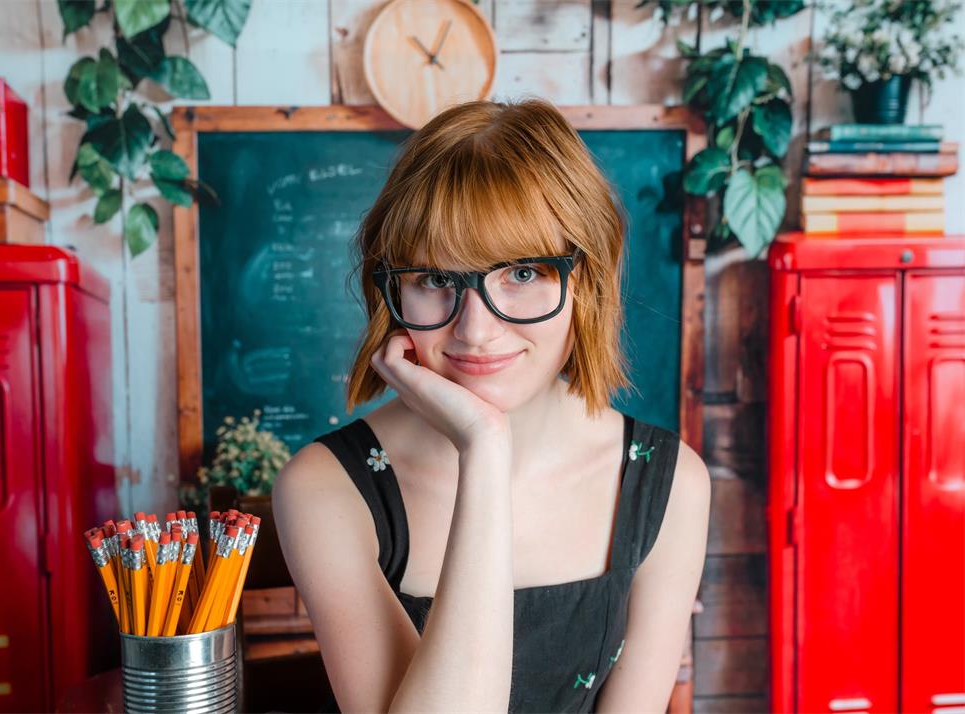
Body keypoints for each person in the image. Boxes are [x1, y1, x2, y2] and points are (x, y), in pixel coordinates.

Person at [272, 97, 711, 713]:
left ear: (585, 279)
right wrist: (484, 449)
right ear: (390, 290)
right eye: (435, 280)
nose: (475, 330)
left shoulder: (669, 484)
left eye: (524, 274)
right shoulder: (324, 488)